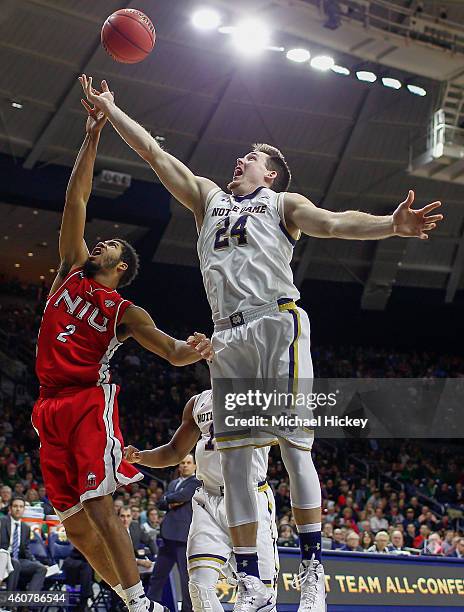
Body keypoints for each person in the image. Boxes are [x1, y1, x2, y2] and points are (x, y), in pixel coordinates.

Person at [81, 74, 444, 612]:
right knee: (235, 463)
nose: (239, 161)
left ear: (269, 172)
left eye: (250, 158)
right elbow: (158, 156)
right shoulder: (207, 200)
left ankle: (314, 568)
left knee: (296, 449)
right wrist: (113, 111)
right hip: (228, 335)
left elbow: (337, 223)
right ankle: (251, 580)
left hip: (277, 324)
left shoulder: (282, 204)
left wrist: (391, 226)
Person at [31, 102, 213, 612]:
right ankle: (137, 601)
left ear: (121, 267)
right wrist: (91, 136)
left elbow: (172, 352)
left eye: (110, 245)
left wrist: (195, 348)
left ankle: (137, 604)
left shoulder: (126, 311)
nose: (100, 244)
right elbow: (76, 200)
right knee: (74, 527)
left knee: (100, 505)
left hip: (87, 402)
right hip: (47, 406)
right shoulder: (70, 268)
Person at [125, 389, 278, 612]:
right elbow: (175, 451)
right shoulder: (198, 402)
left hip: (249, 499)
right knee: (198, 588)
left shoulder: (259, 395)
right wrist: (141, 456)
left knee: (260, 600)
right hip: (208, 499)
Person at [147, 455, 200, 612]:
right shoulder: (173, 483)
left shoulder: (196, 482)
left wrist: (169, 499)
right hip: (168, 536)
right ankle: (150, 607)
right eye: (182, 463)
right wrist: (172, 502)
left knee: (186, 580)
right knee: (157, 576)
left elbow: (183, 496)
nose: (185, 466)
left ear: (195, 466)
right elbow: (161, 503)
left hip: (184, 538)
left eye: (188, 463)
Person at [0, 497, 47, 592]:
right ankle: (10, 603)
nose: (18, 509)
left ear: (24, 510)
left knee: (41, 569)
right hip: (3, 559)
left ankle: (28, 604)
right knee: (15, 564)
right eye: (15, 506)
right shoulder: (2, 522)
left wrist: (36, 562)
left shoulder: (26, 528)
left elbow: (25, 549)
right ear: (10, 508)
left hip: (18, 560)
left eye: (21, 507)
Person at [118, 506, 157, 575]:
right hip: (120, 567)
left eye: (128, 516)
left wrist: (156, 555)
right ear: (117, 517)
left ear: (131, 517)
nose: (125, 519)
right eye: (122, 516)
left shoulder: (135, 526)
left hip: (135, 563)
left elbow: (149, 541)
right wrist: (139, 561)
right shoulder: (113, 532)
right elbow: (120, 556)